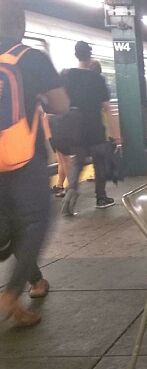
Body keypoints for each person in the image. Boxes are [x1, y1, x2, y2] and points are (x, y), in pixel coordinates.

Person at [0, 0, 70, 326]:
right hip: (21, 160)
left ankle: (35, 281)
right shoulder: (31, 58)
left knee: (12, 226)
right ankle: (12, 293)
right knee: (34, 221)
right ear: (19, 24)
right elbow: (60, 105)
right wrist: (40, 99)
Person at [61, 41, 118, 214]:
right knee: (99, 164)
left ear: (76, 54)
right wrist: (116, 135)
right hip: (95, 128)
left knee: (77, 164)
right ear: (89, 54)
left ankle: (70, 193)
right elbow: (107, 108)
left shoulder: (67, 75)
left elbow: (60, 103)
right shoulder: (97, 78)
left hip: (75, 129)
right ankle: (101, 198)